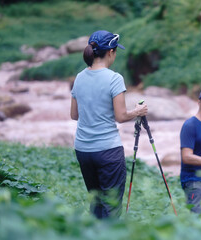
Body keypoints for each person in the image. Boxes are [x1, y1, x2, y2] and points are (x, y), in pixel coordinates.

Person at [70, 30, 148, 219]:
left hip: (83, 150)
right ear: (111, 52)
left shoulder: (79, 77)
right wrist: (137, 112)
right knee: (111, 208)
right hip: (107, 151)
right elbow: (121, 116)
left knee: (96, 203)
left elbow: (74, 115)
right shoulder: (114, 78)